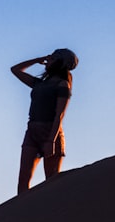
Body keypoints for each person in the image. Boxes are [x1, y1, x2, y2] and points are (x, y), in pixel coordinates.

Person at [11, 48, 78, 194]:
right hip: (32, 131)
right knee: (23, 180)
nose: (48, 60)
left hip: (51, 133)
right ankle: (23, 214)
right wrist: (37, 60)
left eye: (52, 59)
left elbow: (59, 115)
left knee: (51, 182)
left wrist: (51, 141)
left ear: (60, 63)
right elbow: (15, 70)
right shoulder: (39, 83)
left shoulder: (62, 85)